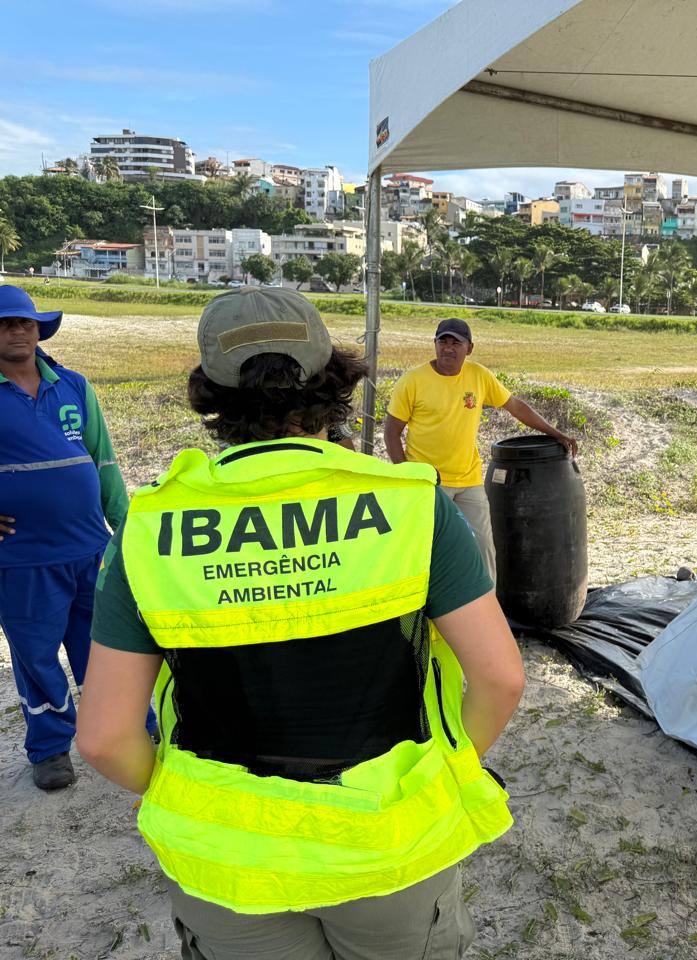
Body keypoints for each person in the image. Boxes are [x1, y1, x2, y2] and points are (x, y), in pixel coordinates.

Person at [76, 287, 525, 959]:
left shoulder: (147, 531)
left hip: (228, 866)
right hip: (390, 848)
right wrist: (444, 770)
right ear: (332, 381)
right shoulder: (409, 505)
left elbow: (105, 739)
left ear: (212, 395)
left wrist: (183, 795)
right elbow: (501, 680)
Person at [0, 284, 141, 791]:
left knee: (106, 646)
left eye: (25, 322)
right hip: (23, 557)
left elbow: (104, 461)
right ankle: (50, 748)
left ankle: (131, 729)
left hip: (89, 549)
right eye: (5, 324)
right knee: (37, 655)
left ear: (38, 329)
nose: (17, 331)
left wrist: (126, 530)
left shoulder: (74, 386)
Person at [383, 318, 579, 581]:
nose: (448, 348)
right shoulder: (412, 381)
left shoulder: (479, 376)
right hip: (429, 483)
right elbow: (391, 432)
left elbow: (515, 407)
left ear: (470, 348)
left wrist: (555, 433)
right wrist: (409, 476)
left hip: (469, 480)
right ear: (435, 344)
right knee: (429, 550)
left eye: (456, 343)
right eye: (443, 341)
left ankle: (488, 601)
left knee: (483, 546)